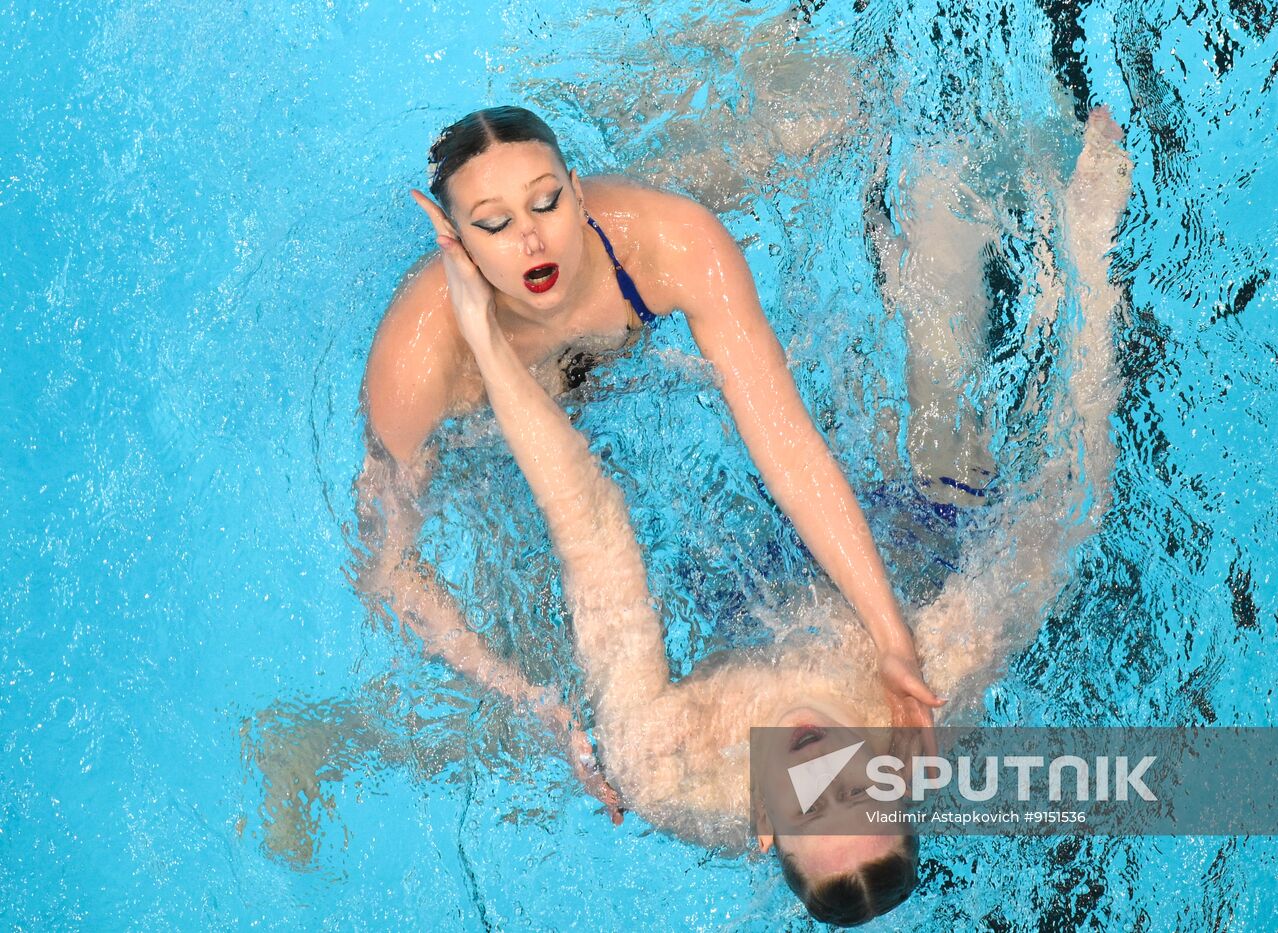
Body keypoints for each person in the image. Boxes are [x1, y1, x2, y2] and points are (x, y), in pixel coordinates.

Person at [405, 108, 1133, 925]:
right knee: (944, 344)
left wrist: (485, 339)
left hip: (726, 594)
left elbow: (592, 526)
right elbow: (1073, 500)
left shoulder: (665, 764)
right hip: (909, 537)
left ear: (763, 825)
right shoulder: (925, 693)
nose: (818, 763)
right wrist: (1094, 256)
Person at [354, 106, 943, 787]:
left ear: (579, 192)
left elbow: (788, 444)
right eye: (493, 223)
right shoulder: (420, 360)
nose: (531, 239)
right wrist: (528, 702)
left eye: (546, 203)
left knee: (822, 115)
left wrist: (892, 637)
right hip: (494, 444)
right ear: (455, 241)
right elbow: (389, 568)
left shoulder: (668, 241)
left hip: (612, 318)